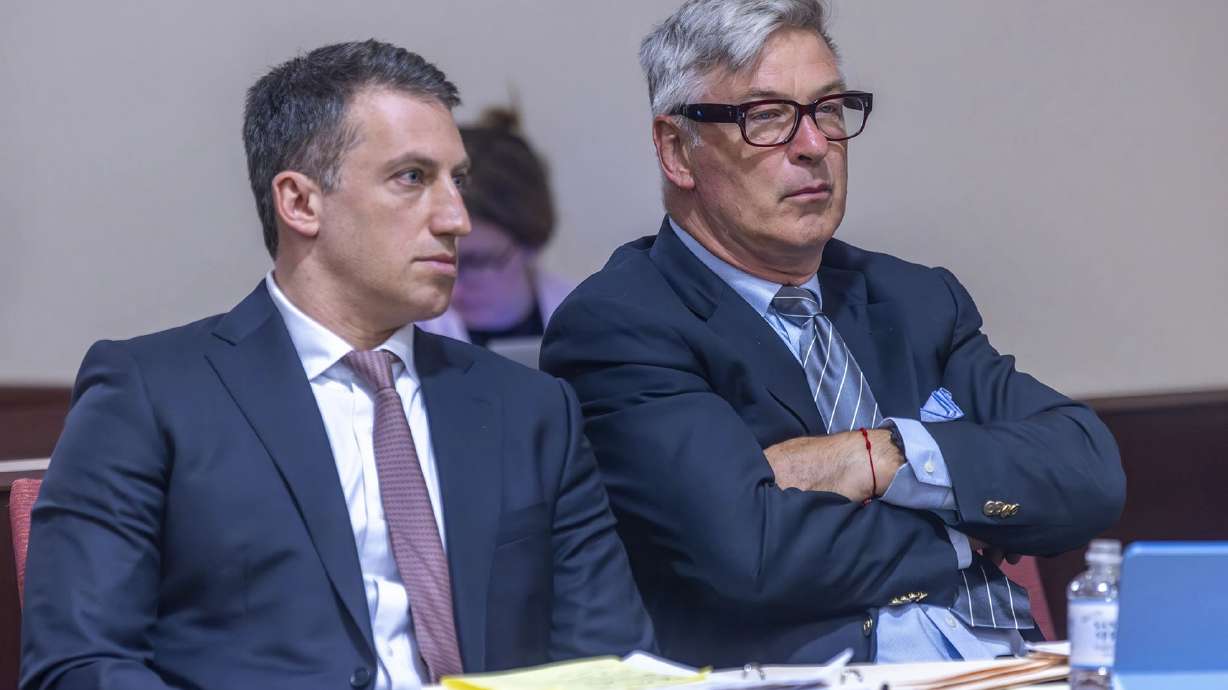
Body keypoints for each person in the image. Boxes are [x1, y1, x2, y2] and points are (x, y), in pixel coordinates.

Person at [20, 40, 652, 690]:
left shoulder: (531, 410)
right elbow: (79, 666)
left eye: (456, 181)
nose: (457, 218)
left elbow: (608, 662)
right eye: (412, 178)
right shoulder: (151, 395)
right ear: (300, 203)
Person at [541, 0, 1124, 667]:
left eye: (827, 109)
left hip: (1015, 667)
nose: (814, 145)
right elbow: (750, 552)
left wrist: (879, 457)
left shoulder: (913, 299)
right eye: (766, 117)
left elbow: (1088, 471)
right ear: (677, 150)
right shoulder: (623, 324)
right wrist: (958, 532)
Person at [419, 108, 573, 352]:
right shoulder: (404, 334)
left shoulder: (591, 323)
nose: (453, 289)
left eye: (476, 261)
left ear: (531, 242)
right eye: (442, 259)